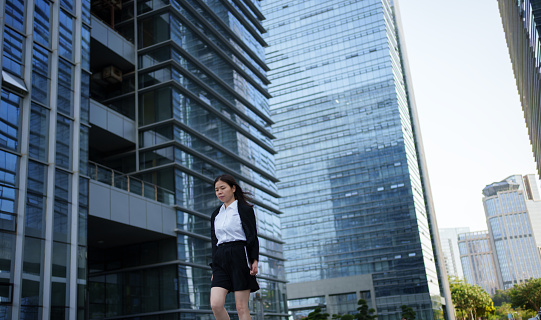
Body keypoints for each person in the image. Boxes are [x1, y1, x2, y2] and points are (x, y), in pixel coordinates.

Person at [210, 174, 259, 320]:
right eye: (216, 189)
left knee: (241, 307)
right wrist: (214, 268)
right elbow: (214, 242)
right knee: (216, 304)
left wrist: (254, 260)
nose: (219, 192)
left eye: (222, 188)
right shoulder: (215, 214)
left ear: (233, 188)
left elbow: (252, 236)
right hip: (220, 258)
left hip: (239, 254)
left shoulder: (244, 209)